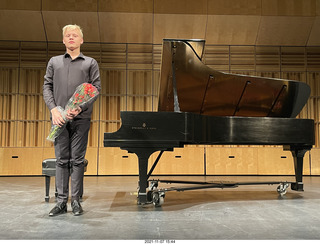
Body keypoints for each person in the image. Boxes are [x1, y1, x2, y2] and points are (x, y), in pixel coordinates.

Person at [43, 24, 101, 216]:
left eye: (75, 35)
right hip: (59, 118)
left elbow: (95, 90)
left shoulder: (90, 63)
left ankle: (75, 201)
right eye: (68, 36)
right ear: (63, 40)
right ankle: (60, 202)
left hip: (81, 118)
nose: (71, 38)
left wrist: (80, 107)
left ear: (81, 40)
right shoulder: (54, 61)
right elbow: (47, 87)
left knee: (77, 160)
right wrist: (53, 110)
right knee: (61, 161)